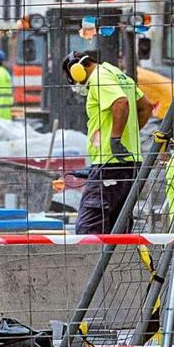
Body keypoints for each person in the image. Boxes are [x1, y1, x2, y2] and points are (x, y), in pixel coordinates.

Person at [62, 51, 153, 234]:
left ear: (78, 69)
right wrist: (127, 137)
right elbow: (145, 107)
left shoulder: (99, 77)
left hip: (110, 164)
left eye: (74, 79)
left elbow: (121, 103)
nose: (78, 85)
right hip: (127, 163)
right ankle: (111, 263)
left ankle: (90, 263)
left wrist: (115, 140)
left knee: (89, 229)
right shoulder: (117, 74)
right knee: (116, 228)